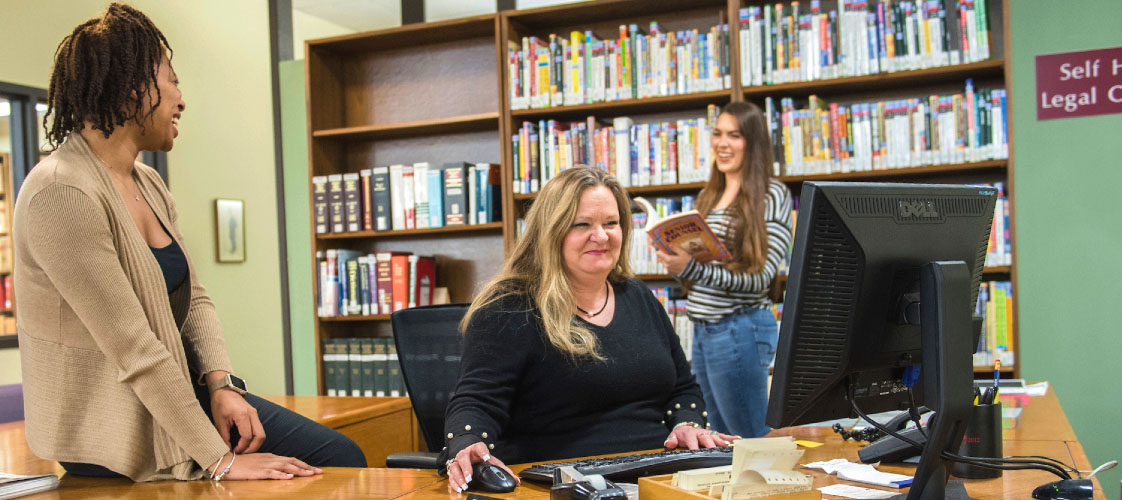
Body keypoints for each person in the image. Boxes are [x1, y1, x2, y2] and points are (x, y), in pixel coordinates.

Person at [13, 3, 365, 482]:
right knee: (300, 473)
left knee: (339, 457)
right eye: (173, 81)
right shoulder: (61, 191)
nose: (182, 99)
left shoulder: (149, 183)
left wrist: (222, 385)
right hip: (108, 423)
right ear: (133, 87)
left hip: (172, 394)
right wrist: (219, 461)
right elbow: (134, 346)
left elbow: (194, 298)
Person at [439, 166, 738, 494]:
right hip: (566, 486)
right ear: (551, 231)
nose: (602, 236)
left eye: (611, 223)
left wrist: (686, 424)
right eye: (583, 224)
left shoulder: (638, 295)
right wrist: (467, 447)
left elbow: (683, 387)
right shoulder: (509, 306)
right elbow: (477, 401)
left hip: (659, 479)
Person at [655, 101, 794, 438]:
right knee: (718, 441)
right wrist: (676, 264)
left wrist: (692, 268)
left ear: (754, 143)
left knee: (750, 439)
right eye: (717, 134)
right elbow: (701, 272)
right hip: (704, 331)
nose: (722, 143)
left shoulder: (771, 194)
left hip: (740, 329)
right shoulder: (709, 195)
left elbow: (760, 279)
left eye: (735, 135)